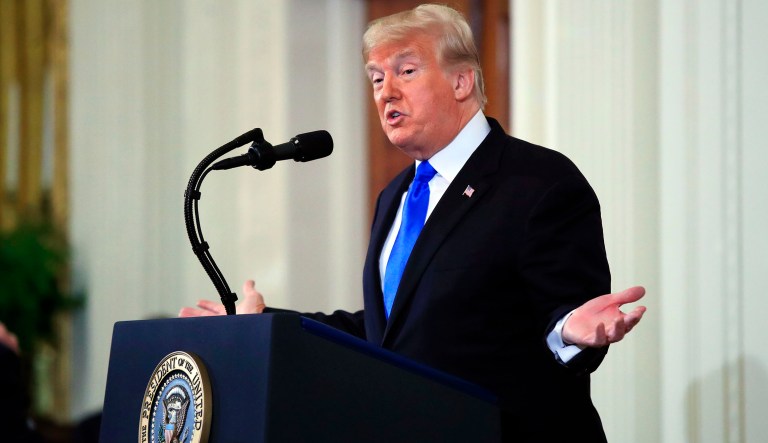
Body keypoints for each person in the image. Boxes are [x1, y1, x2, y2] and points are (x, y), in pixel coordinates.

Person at [181, 4, 646, 441]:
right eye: (376, 78)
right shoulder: (396, 196)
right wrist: (263, 323)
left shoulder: (538, 181)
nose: (386, 91)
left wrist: (568, 329)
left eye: (406, 71)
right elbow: (388, 331)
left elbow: (567, 318)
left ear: (462, 81)